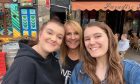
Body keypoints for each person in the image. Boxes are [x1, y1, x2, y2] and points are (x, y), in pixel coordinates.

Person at [69, 21, 140, 84]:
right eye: (87, 39)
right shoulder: (79, 69)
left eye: (97, 36)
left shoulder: (132, 70)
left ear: (109, 39)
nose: (91, 42)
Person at [2, 20, 65, 84]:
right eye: (49, 33)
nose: (54, 39)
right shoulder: (25, 63)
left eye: (59, 37)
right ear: (40, 34)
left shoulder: (53, 60)